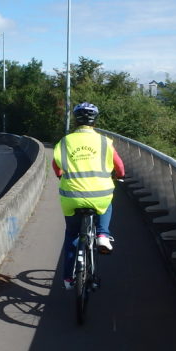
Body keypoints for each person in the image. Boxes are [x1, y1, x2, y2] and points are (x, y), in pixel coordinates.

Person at [53, 102, 126, 290]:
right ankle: (103, 234)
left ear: (76, 120)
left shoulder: (65, 141)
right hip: (100, 194)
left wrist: (61, 174)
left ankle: (68, 279)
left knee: (72, 235)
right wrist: (120, 176)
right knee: (107, 203)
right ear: (95, 120)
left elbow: (56, 165)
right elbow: (119, 166)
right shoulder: (104, 141)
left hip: (71, 196)